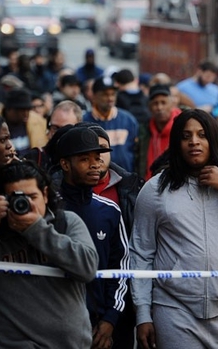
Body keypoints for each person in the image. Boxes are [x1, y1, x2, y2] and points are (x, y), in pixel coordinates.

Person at [130, 109, 218, 349]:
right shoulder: (155, 190)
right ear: (176, 143)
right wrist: (143, 313)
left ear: (213, 139)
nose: (194, 141)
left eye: (202, 135)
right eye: (186, 136)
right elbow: (141, 253)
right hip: (174, 309)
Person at [0, 161, 99, 348]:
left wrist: (37, 230)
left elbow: (87, 268)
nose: (25, 204)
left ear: (45, 195)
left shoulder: (65, 223)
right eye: (15, 198)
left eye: (32, 197)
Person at [56, 126, 130, 349]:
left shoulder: (110, 210)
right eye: (84, 159)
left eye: (97, 158)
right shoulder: (47, 211)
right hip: (55, 327)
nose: (94, 164)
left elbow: (121, 267)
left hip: (99, 328)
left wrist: (110, 319)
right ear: (65, 164)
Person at [80, 123, 144, 349]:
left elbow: (130, 253)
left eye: (102, 151)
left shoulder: (130, 188)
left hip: (120, 304)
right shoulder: (55, 192)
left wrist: (112, 317)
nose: (97, 159)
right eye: (88, 153)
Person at [84, 76, 139, 172]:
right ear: (94, 96)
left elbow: (137, 151)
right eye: (105, 94)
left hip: (126, 179)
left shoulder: (128, 120)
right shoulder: (85, 122)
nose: (110, 98)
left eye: (113, 94)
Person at [23, 100, 83, 172]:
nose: (58, 133)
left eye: (65, 129)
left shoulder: (85, 160)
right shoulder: (35, 158)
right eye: (55, 128)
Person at [136, 84, 181, 180]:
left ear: (172, 104)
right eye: (155, 103)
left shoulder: (183, 126)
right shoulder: (144, 130)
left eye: (163, 103)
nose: (160, 108)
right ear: (149, 107)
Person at [0, 88, 48, 157]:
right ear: (8, 109)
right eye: (21, 110)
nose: (26, 113)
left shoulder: (38, 122)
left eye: (28, 109)